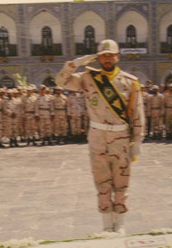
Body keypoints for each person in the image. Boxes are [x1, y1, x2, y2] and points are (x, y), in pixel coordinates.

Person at [56, 39, 145, 234]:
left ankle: (120, 224)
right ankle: (106, 225)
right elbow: (60, 82)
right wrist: (75, 64)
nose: (107, 59)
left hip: (121, 137)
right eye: (103, 56)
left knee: (121, 181)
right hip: (97, 137)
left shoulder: (130, 81)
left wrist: (137, 140)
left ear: (117, 57)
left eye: (110, 55)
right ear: (98, 58)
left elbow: (137, 113)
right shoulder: (88, 78)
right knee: (101, 182)